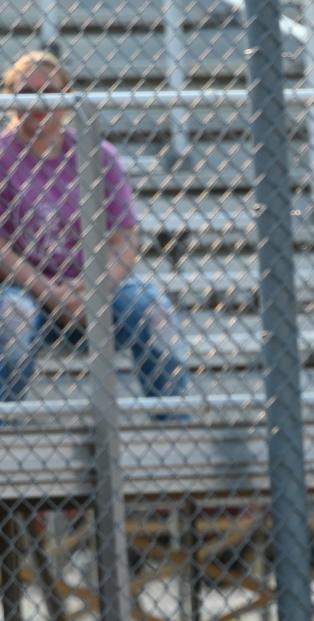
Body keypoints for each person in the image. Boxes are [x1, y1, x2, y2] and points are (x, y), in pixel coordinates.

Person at [0, 51, 187, 409]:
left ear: (68, 97)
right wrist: (50, 293)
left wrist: (93, 287)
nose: (39, 102)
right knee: (14, 315)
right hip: (22, 290)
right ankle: (5, 421)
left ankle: (171, 416)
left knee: (153, 309)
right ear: (11, 100)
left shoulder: (97, 154)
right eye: (26, 92)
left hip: (91, 287)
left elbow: (125, 239)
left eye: (51, 92)